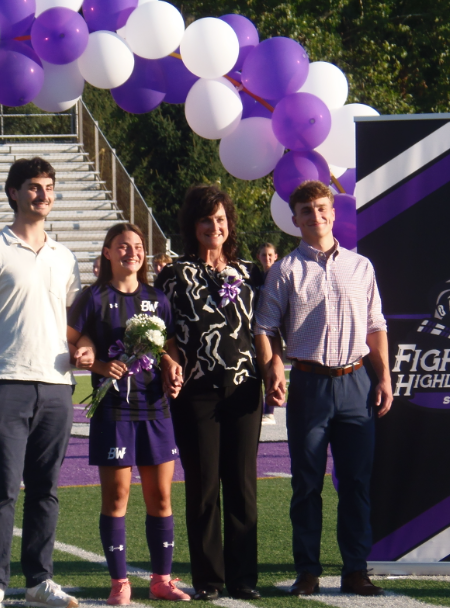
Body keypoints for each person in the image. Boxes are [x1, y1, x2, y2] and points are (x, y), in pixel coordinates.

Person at [254, 180, 393, 597]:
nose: (315, 216)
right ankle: (308, 572)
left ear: (333, 212)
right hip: (310, 384)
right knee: (307, 484)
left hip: (357, 383)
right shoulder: (284, 270)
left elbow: (376, 327)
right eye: (306, 211)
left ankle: (355, 570)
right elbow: (264, 327)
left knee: (355, 483)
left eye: (321, 208)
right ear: (294, 220)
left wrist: (384, 375)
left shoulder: (361, 266)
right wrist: (272, 364)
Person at [0, 157, 81, 608]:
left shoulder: (65, 257)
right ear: (14, 193)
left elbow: (72, 323)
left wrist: (85, 347)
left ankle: (39, 580)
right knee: (2, 488)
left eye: (49, 186)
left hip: (55, 385)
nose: (43, 194)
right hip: (1, 382)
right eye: (34, 187)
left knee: (45, 489)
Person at [67, 223, 188, 605]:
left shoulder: (158, 298)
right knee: (117, 497)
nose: (131, 252)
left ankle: (161, 579)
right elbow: (73, 341)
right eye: (122, 246)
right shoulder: (93, 297)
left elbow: (168, 347)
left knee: (161, 497)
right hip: (114, 410)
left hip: (155, 409)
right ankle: (120, 582)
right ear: (107, 253)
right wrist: (96, 364)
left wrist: (171, 364)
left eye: (137, 246)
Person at [154, 185, 264, 601]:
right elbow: (159, 329)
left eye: (220, 219)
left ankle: (243, 578)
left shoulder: (251, 272)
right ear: (192, 225)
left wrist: (272, 365)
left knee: (241, 484)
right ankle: (209, 579)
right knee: (202, 486)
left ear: (228, 223)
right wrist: (169, 356)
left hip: (243, 390)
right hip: (196, 391)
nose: (213, 226)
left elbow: (263, 330)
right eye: (205, 219)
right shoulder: (173, 274)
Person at [256, 243, 280, 425]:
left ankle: (269, 410)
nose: (268, 258)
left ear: (276, 256)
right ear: (259, 257)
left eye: (270, 255)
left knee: (273, 366)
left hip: (275, 330)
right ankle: (260, 408)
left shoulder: (280, 275)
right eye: (264, 255)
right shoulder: (255, 278)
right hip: (258, 328)